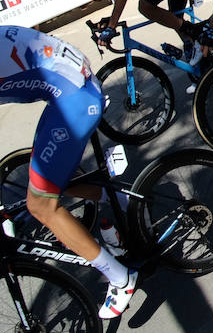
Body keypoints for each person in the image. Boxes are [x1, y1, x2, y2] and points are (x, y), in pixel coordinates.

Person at [0, 24, 139, 318]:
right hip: (70, 82)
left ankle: (120, 277)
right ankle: (127, 203)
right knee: (55, 179)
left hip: (75, 94)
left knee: (40, 204)